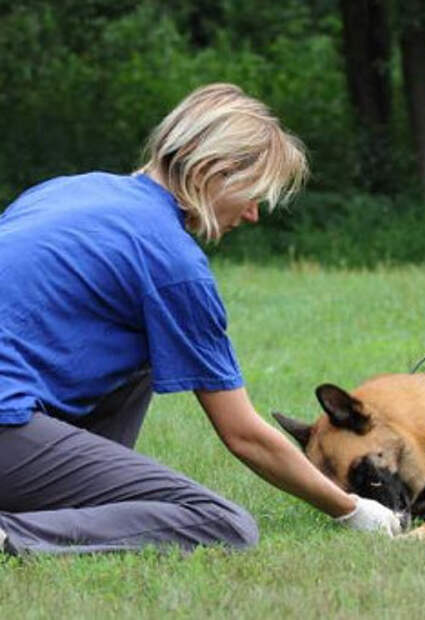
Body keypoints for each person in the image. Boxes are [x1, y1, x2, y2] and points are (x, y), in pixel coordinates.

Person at [0, 83, 401, 556]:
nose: (253, 214)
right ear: (219, 170)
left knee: (148, 348)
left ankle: (79, 506)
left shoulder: (67, 190)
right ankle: (15, 535)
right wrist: (351, 509)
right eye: (254, 195)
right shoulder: (173, 264)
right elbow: (244, 435)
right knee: (221, 523)